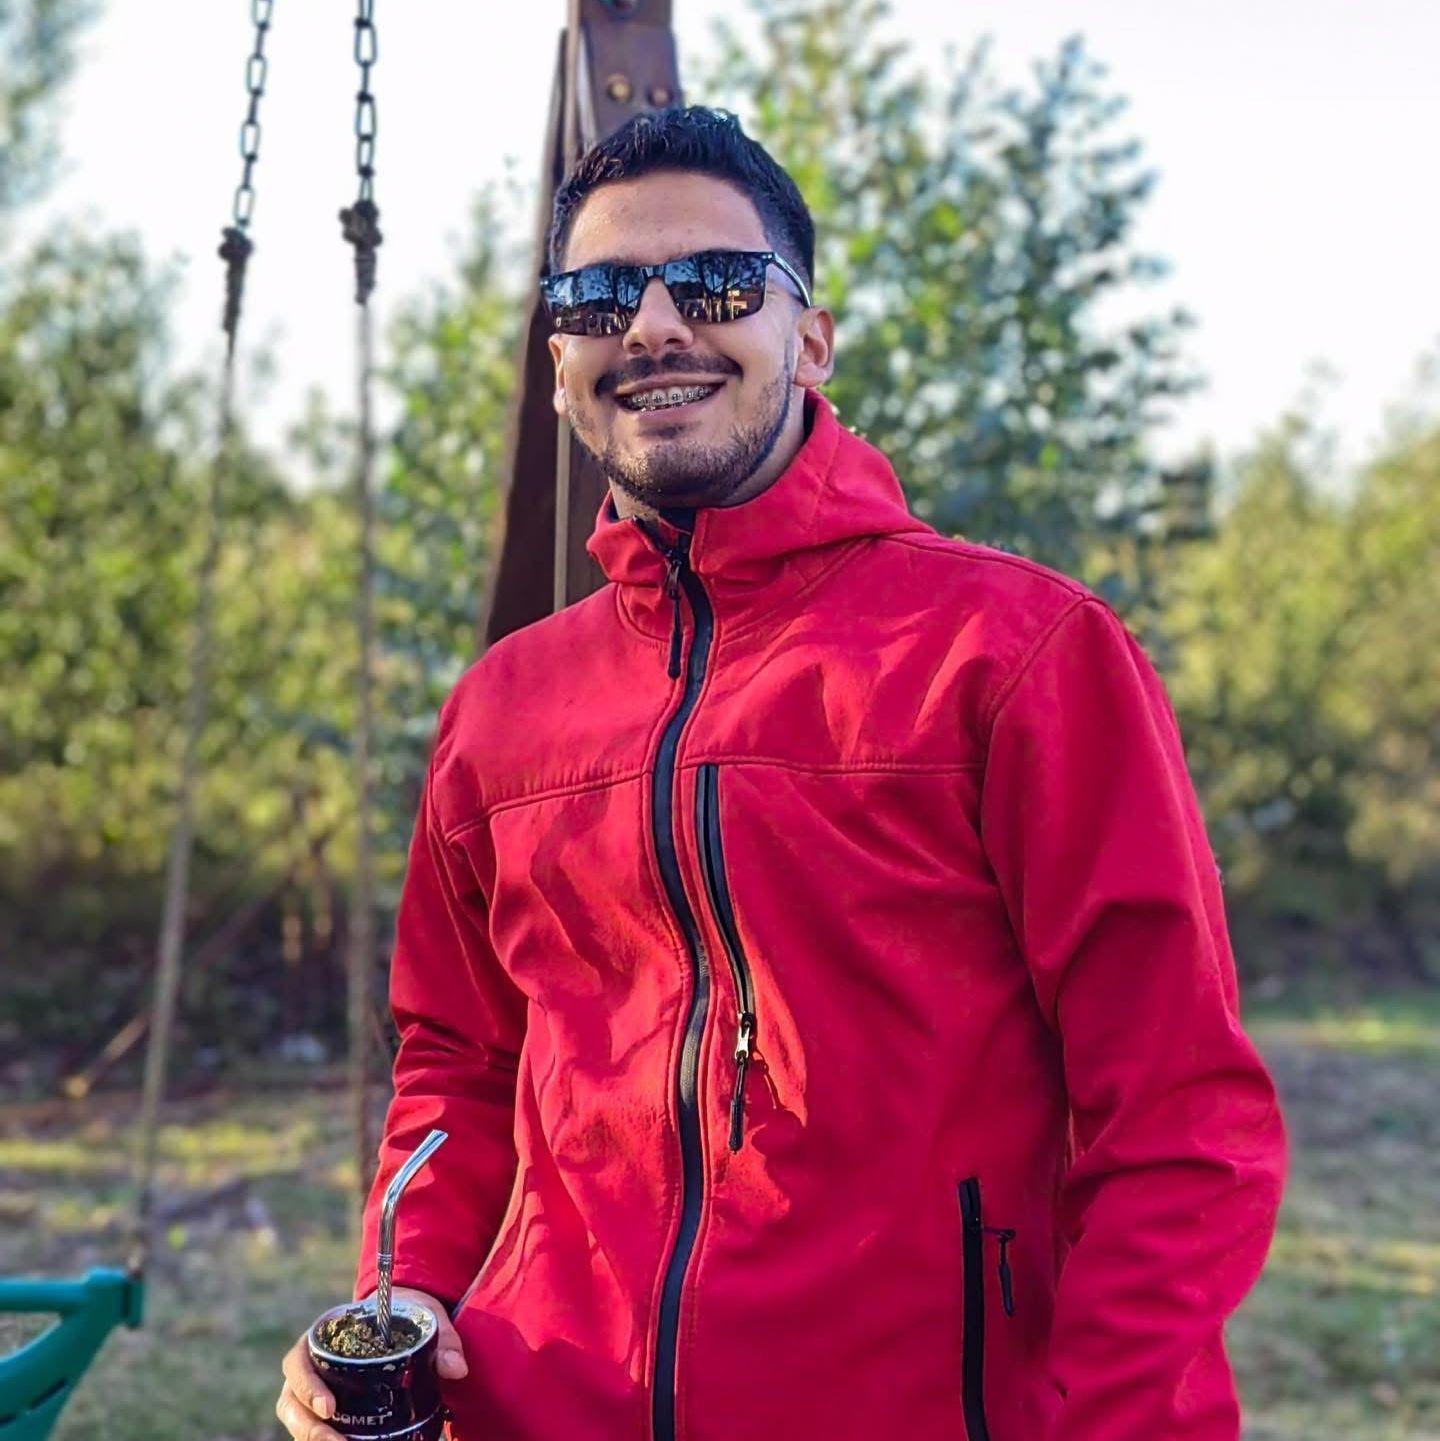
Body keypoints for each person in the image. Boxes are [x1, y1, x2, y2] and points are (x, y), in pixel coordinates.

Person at [277, 105, 1287, 1441]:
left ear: (810, 341)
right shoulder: (501, 710)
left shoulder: (1017, 654)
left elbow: (1176, 1116)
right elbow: (457, 1066)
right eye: (598, 297)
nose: (652, 325)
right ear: (561, 360)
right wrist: (400, 1301)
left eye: (714, 283)